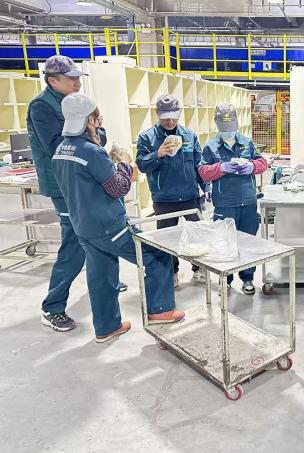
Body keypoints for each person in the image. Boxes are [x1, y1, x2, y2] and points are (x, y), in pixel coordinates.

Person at [52, 93, 184, 342]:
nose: (100, 120)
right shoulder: (92, 152)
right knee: (158, 256)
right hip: (108, 226)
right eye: (97, 116)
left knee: (101, 275)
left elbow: (84, 183)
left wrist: (108, 165)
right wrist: (123, 164)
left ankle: (107, 326)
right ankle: (160, 310)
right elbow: (117, 188)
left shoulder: (61, 149)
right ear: (89, 120)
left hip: (83, 226)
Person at [27, 55, 126, 333]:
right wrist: (94, 133)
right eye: (70, 79)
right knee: (75, 243)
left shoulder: (74, 103)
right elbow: (60, 146)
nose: (77, 83)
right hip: (65, 186)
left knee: (98, 236)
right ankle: (52, 306)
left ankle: (106, 284)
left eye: (77, 78)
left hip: (84, 182)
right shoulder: (42, 106)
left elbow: (94, 137)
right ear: (52, 80)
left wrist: (95, 133)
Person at [135, 94, 205, 287]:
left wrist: (206, 189)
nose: (170, 122)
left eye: (174, 117)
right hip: (164, 198)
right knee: (167, 239)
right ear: (157, 113)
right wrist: (157, 154)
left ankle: (199, 269)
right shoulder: (147, 137)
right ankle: (171, 272)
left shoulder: (189, 135)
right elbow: (141, 165)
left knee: (197, 235)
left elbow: (198, 165)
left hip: (190, 196)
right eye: (166, 118)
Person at [198, 103, 268, 295]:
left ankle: (247, 278)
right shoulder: (211, 146)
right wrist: (220, 168)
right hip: (224, 204)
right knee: (224, 243)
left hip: (248, 202)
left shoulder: (246, 142)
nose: (228, 131)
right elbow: (203, 171)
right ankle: (225, 280)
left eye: (231, 127)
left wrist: (252, 166)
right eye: (224, 127)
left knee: (248, 243)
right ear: (217, 125)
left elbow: (263, 163)